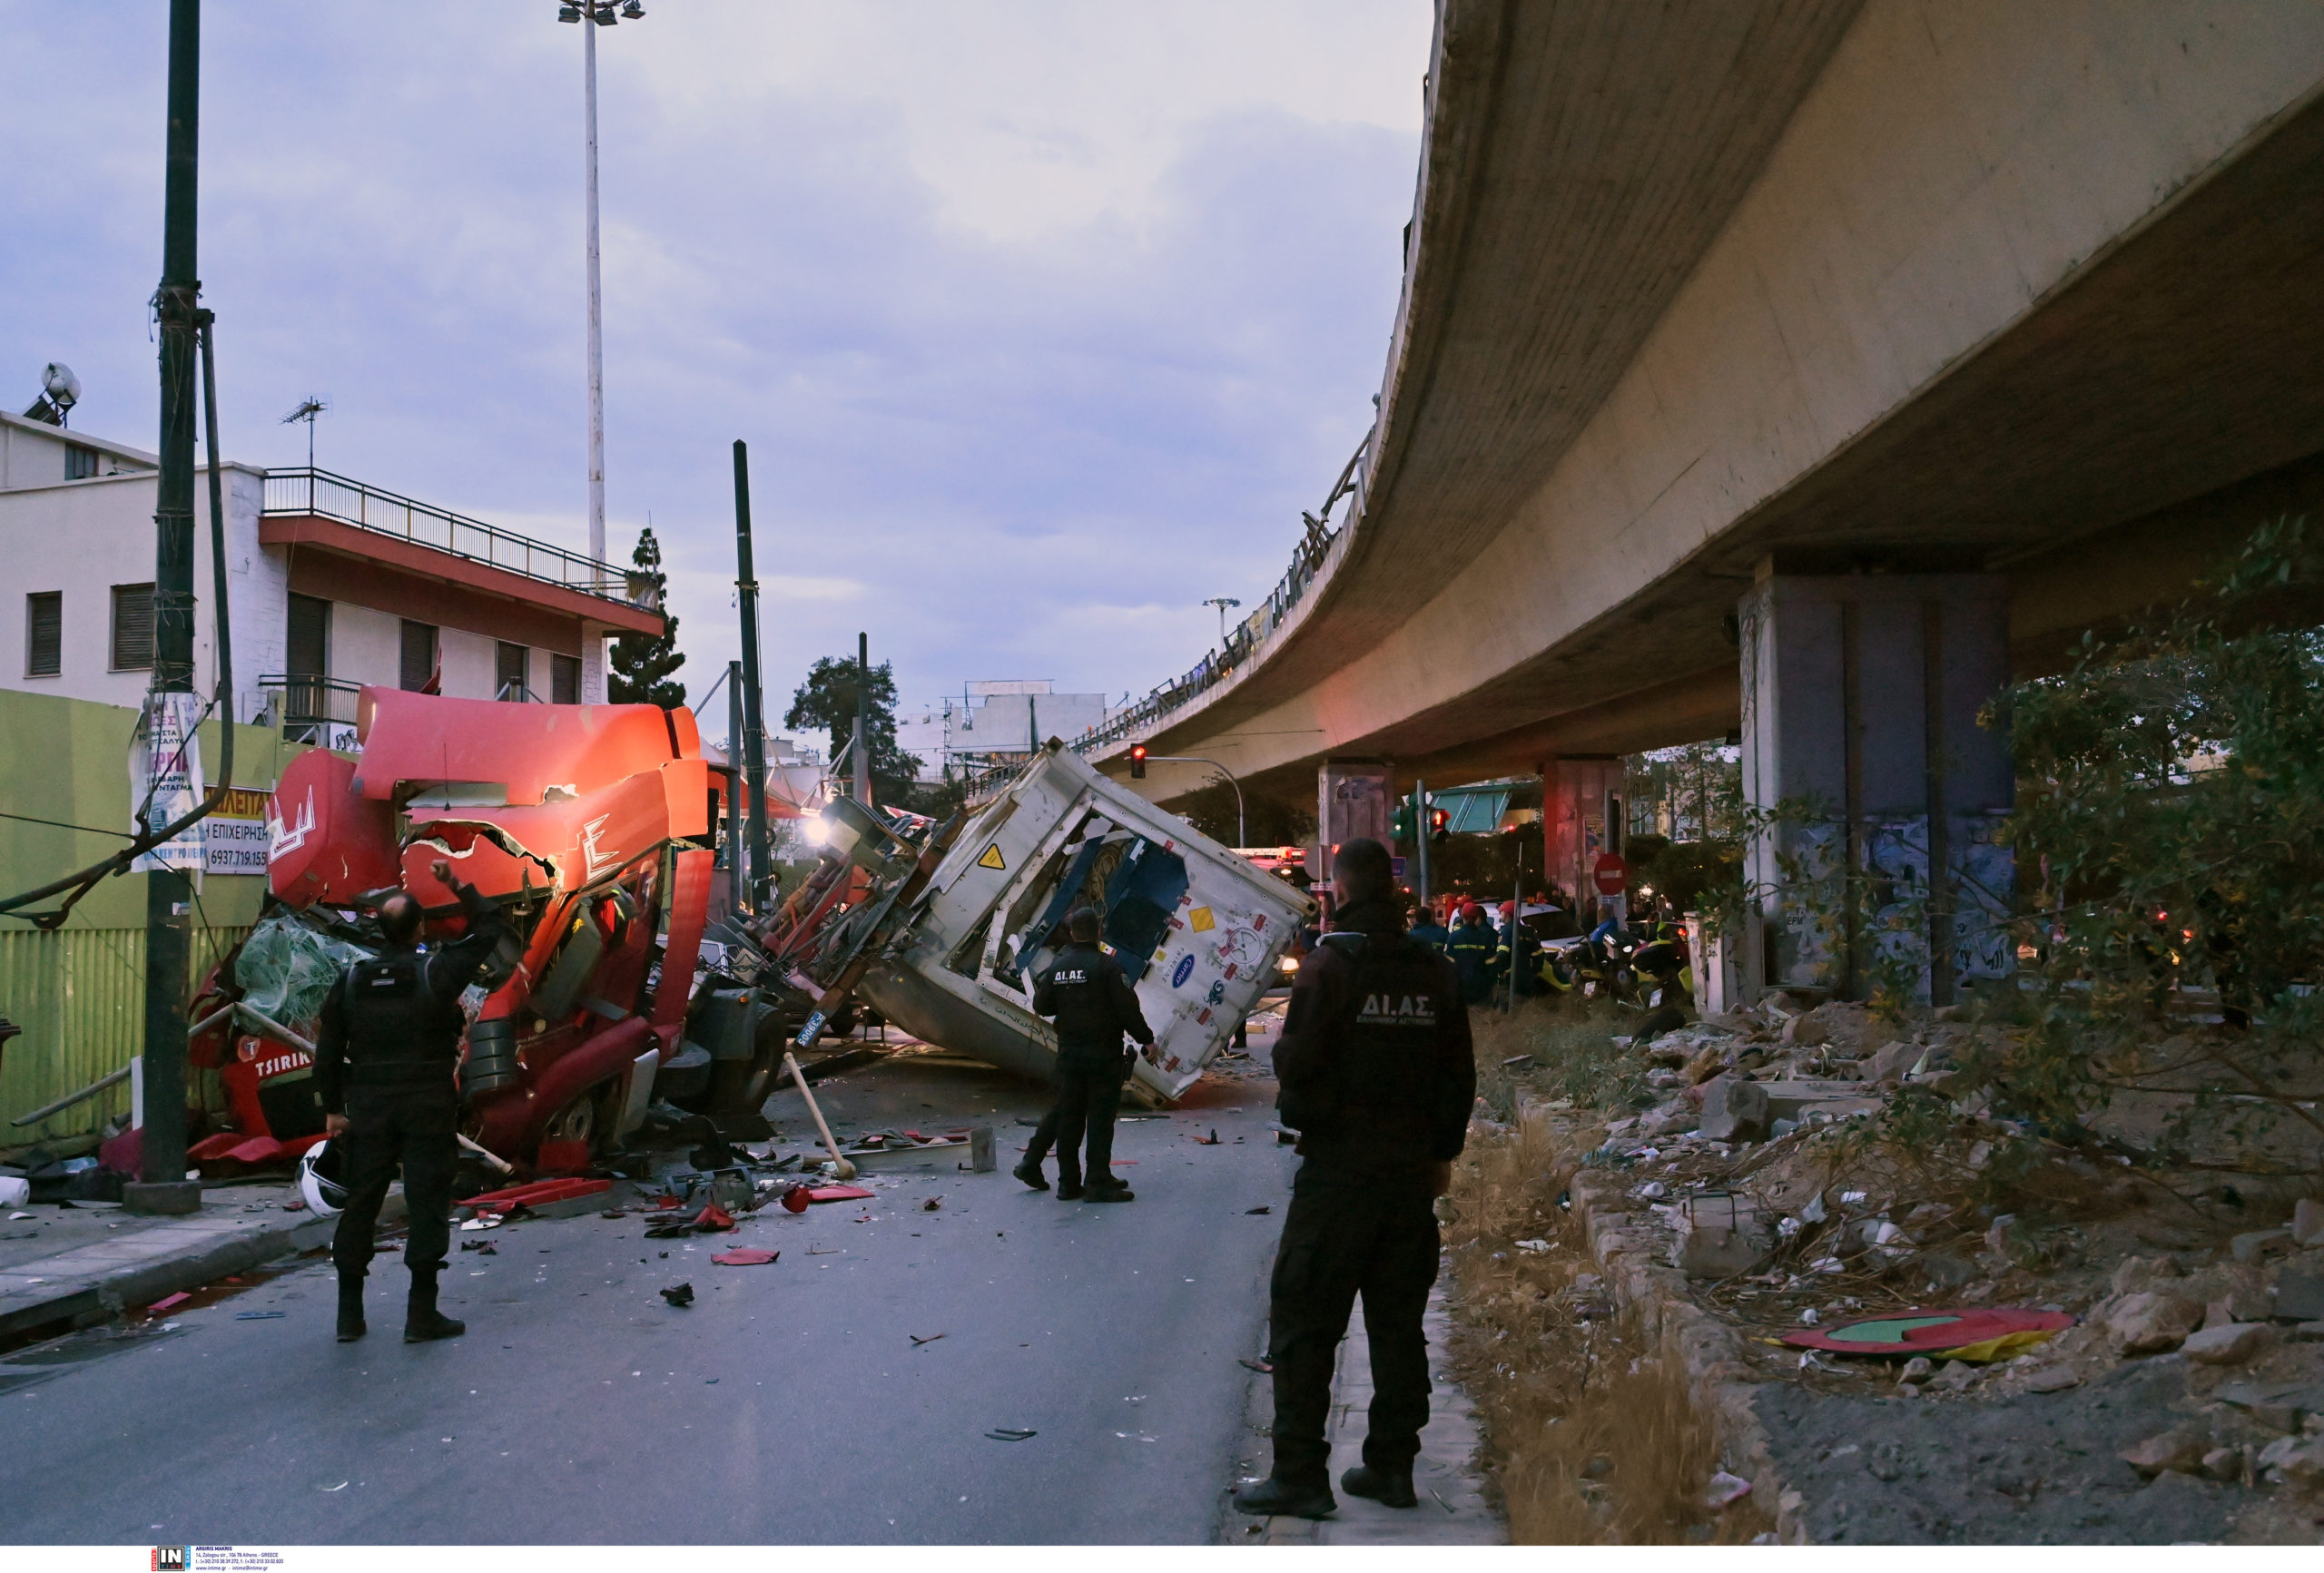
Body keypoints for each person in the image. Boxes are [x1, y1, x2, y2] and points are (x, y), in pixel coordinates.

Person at [1235, 839, 1475, 1520]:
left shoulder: (1330, 967)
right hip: (1410, 1179)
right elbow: (1460, 1076)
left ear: (1339, 891)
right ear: (1393, 892)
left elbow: (1297, 1062)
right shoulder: (1435, 969)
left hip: (1338, 1175)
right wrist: (1439, 1153)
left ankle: (1301, 1475)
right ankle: (1391, 1466)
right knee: (1399, 1326)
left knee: (1306, 1321)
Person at [316, 860, 509, 1343]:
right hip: (426, 1105)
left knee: (362, 1203)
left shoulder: (354, 980)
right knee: (426, 1202)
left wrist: (334, 1109)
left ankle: (349, 1318)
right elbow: (491, 927)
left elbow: (327, 1047)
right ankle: (421, 1315)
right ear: (420, 928)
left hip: (369, 1106)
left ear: (379, 927)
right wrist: (457, 884)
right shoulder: (437, 972)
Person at [1014, 906, 1155, 1203]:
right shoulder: (1108, 967)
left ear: (1072, 933)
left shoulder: (1058, 967)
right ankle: (1098, 1181)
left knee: (1069, 1119)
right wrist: (1147, 1040)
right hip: (1103, 1056)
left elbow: (1043, 1005)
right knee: (1101, 1120)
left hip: (1070, 1056)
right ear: (1099, 933)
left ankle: (1068, 1184)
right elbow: (1127, 1009)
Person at [1445, 901, 1497, 1007]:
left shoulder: (1453, 937)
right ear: (1477, 917)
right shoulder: (1485, 938)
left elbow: (1447, 965)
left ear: (1462, 916)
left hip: (1460, 989)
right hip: (1481, 990)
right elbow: (1492, 966)